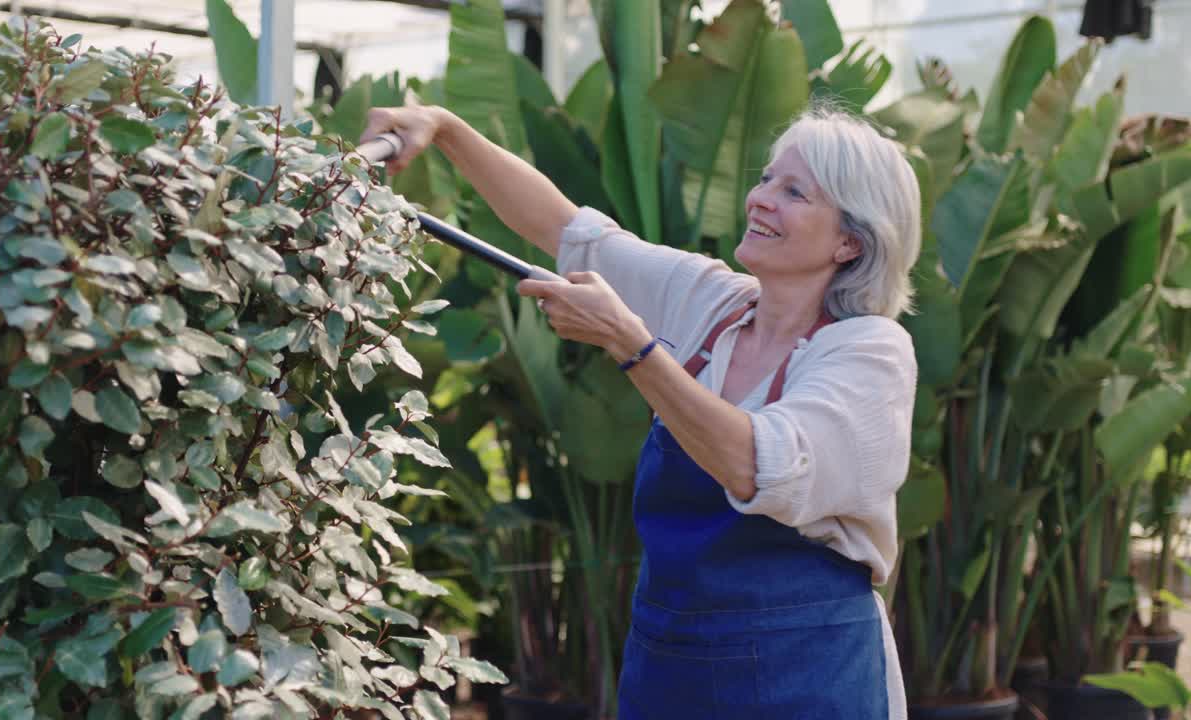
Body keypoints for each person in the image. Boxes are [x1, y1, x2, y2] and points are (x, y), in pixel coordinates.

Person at [361, 103, 919, 719]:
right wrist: (445, 130)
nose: (761, 198)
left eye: (794, 192)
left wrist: (632, 344)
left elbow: (757, 465)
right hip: (672, 664)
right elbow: (566, 230)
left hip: (806, 673)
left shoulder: (869, 351)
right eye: (765, 178)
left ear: (850, 240)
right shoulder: (714, 302)